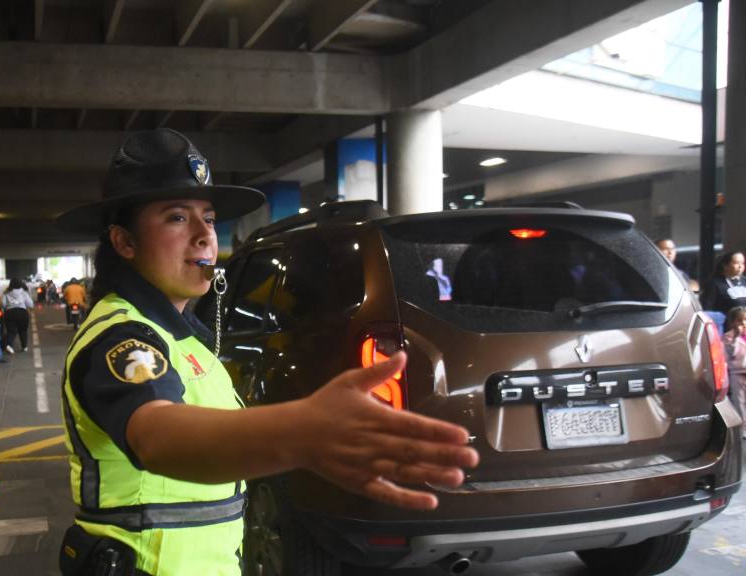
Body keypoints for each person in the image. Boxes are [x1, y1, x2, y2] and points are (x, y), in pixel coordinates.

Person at [54, 129, 478, 576]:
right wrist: (302, 432)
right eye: (177, 218)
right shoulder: (122, 338)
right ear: (124, 242)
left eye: (209, 218)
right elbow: (158, 435)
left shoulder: (178, 332)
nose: (204, 236)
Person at [703, 251, 746, 316]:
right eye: (736, 263)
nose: (740, 266)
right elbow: (707, 308)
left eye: (742, 263)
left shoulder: (744, 281)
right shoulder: (715, 284)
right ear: (725, 265)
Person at [724, 306, 746, 424]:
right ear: (732, 322)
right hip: (737, 373)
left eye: (745, 320)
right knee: (739, 402)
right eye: (739, 320)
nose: (743, 323)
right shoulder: (729, 337)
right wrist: (736, 337)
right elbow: (731, 354)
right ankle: (742, 427)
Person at [2, 278, 34, 354]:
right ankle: (24, 347)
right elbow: (30, 304)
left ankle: (8, 344)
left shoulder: (6, 293)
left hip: (10, 313)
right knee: (23, 330)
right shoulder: (24, 293)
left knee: (11, 331)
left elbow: (3, 304)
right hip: (22, 312)